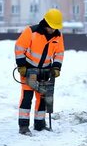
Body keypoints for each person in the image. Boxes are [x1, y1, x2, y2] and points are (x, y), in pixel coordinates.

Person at [14, 8, 65, 136]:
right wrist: (21, 66)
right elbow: (19, 48)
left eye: (55, 27)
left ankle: (39, 124)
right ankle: (24, 126)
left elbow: (59, 53)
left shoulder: (58, 36)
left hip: (45, 72)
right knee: (27, 98)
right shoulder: (31, 31)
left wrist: (56, 67)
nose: (53, 30)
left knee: (42, 98)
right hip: (29, 70)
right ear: (46, 23)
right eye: (51, 27)